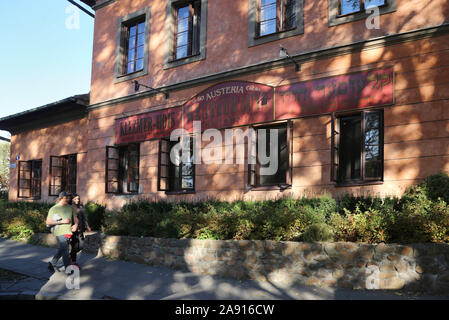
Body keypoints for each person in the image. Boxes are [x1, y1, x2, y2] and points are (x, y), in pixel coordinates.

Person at [46, 191, 78, 273]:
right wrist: (62, 221)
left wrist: (76, 225)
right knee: (66, 251)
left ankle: (52, 263)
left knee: (62, 249)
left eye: (69, 198)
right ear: (60, 198)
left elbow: (75, 218)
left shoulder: (70, 207)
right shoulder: (54, 209)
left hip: (69, 232)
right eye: (66, 197)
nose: (68, 199)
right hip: (59, 232)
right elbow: (48, 222)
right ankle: (68, 269)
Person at [69, 193, 91, 269]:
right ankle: (74, 263)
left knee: (81, 246)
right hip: (72, 230)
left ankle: (70, 256)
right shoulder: (69, 208)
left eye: (78, 198)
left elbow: (84, 218)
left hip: (80, 229)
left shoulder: (80, 208)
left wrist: (87, 226)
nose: (77, 200)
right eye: (75, 199)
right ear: (71, 200)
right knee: (74, 246)